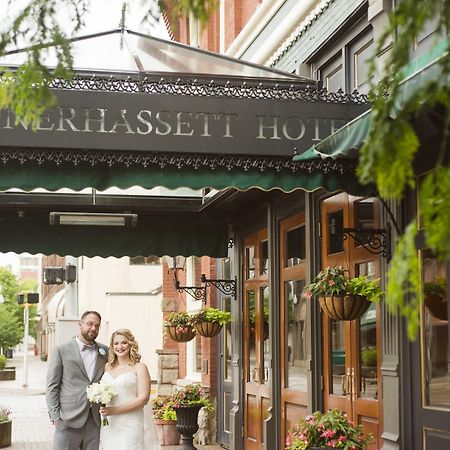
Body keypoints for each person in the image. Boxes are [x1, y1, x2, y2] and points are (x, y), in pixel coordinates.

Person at [46, 310, 108, 450]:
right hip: (68, 419)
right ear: (79, 324)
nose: (93, 328)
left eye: (97, 325)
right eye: (90, 324)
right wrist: (56, 417)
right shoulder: (61, 350)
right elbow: (52, 386)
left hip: (94, 420)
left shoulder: (104, 351)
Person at [99, 328, 151, 450]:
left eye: (124, 342)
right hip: (109, 423)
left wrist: (114, 410)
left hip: (130, 422)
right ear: (112, 346)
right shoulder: (108, 366)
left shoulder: (139, 367)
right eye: (116, 343)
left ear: (130, 344)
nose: (120, 347)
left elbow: (143, 399)